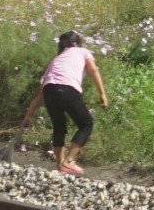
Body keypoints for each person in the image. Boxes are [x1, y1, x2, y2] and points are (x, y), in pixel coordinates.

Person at [19, 31, 107, 176]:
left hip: (49, 91)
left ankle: (60, 166)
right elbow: (94, 70)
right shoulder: (83, 51)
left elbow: (41, 92)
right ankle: (69, 161)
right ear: (78, 42)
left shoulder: (57, 59)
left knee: (59, 128)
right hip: (67, 88)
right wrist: (102, 94)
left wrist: (28, 115)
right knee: (86, 124)